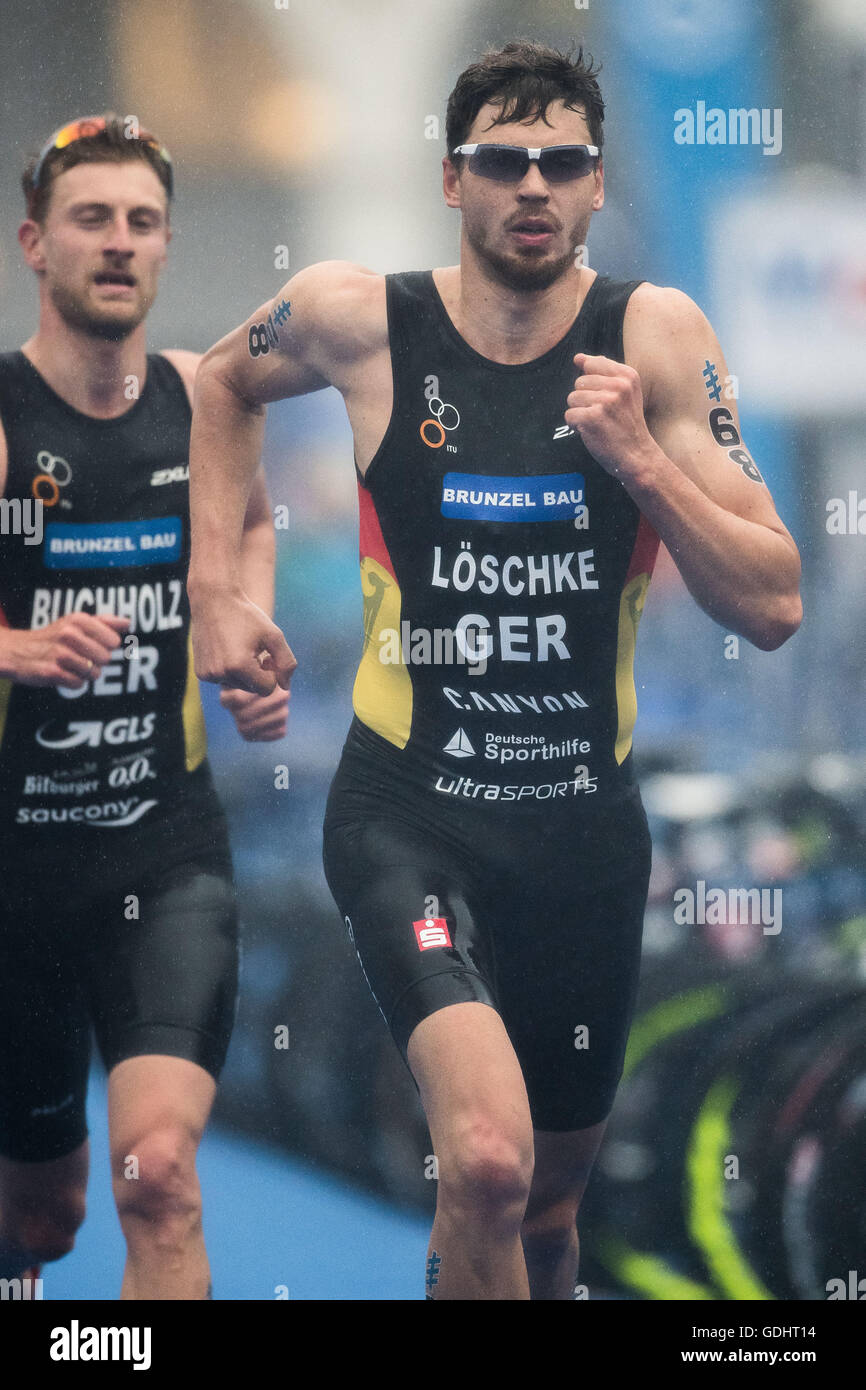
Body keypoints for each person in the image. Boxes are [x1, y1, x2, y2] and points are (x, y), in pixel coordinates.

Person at [187, 42, 802, 1300]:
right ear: (452, 182)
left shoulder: (654, 335)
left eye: (561, 162)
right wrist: (222, 591)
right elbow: (216, 381)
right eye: (502, 161)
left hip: (581, 831)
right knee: (480, 1162)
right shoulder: (361, 318)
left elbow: (775, 599)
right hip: (408, 816)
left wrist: (639, 459)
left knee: (546, 1215)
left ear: (592, 185)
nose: (533, 184)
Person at [0, 114, 288, 1299]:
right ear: (35, 244)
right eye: (90, 219)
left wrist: (245, 630)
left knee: (157, 1172)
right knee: (47, 1212)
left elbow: (253, 521)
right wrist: (16, 647)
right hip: (17, 867)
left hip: (165, 848)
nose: (118, 243)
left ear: (164, 247)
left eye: (141, 222)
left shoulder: (200, 399)